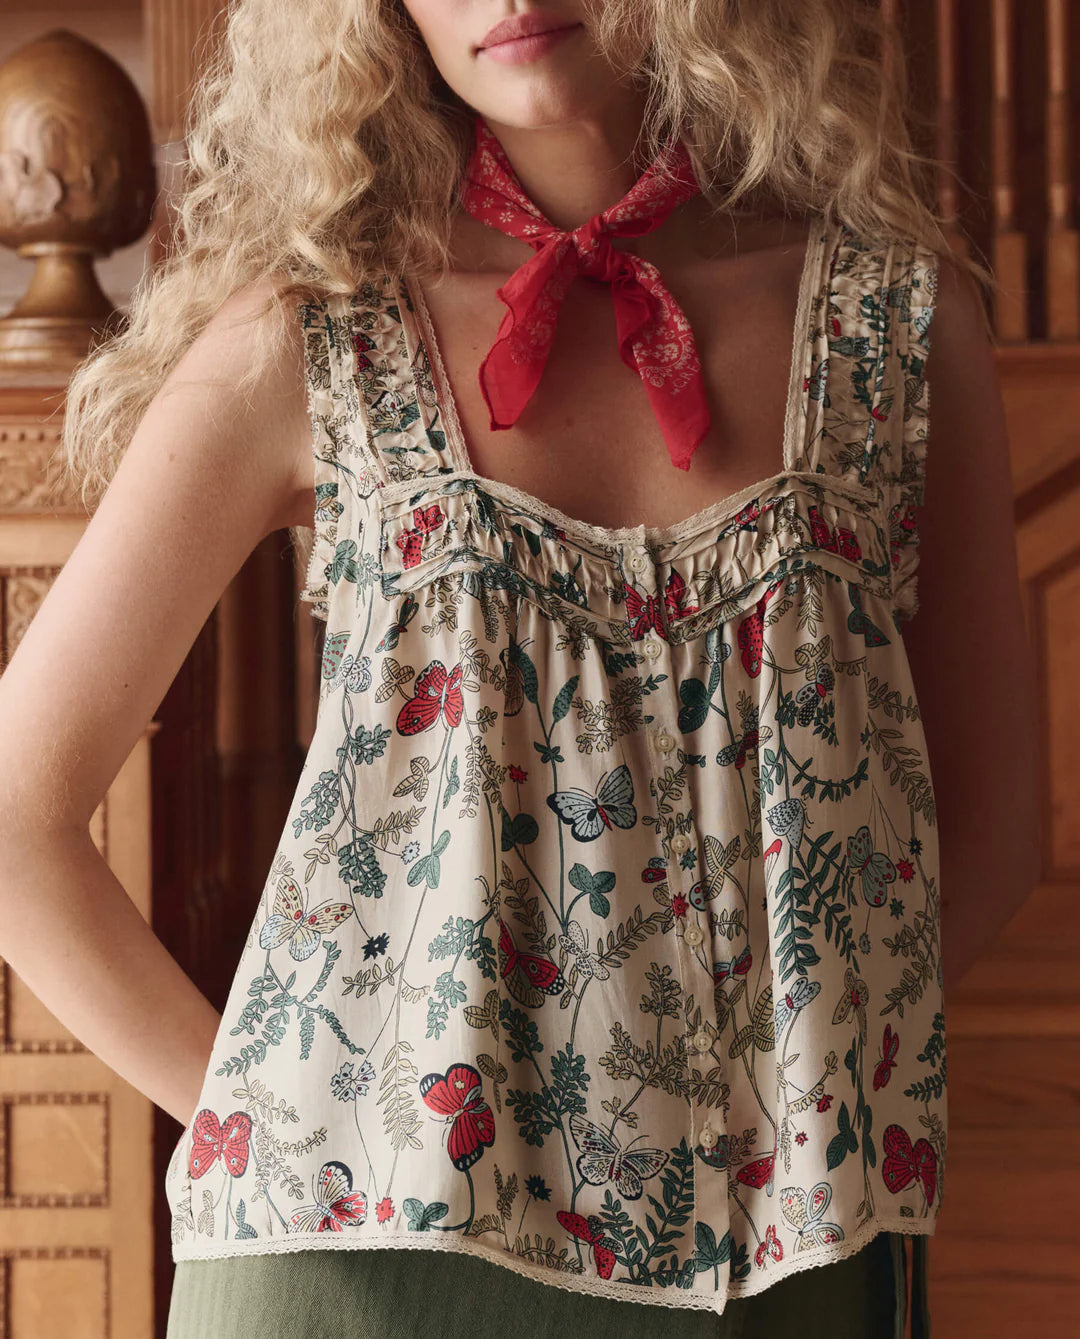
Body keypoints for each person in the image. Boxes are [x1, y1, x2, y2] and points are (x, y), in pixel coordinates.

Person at [0, 1, 1040, 1336]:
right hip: (361, 1265)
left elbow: (998, 837)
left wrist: (790, 1096)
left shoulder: (892, 323)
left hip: (783, 1255)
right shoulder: (311, 335)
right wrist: (283, 1116)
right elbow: (18, 822)